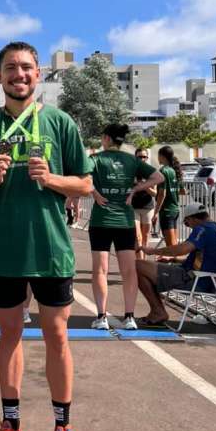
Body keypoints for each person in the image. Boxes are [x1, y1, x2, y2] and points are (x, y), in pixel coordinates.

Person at [0, 41, 94, 431]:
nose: (18, 74)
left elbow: (85, 184)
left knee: (57, 336)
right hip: (4, 250)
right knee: (9, 336)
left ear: (38, 74)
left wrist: (52, 178)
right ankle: (11, 428)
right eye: (10, 68)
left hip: (50, 248)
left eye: (25, 67)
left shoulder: (59, 122)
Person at [88, 125, 163, 330]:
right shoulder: (132, 160)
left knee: (100, 270)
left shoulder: (96, 159)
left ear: (106, 138)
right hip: (125, 222)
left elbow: (80, 176)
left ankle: (101, 317)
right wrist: (135, 189)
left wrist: (94, 192)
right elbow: (159, 177)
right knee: (129, 271)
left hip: (101, 221)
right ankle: (129, 317)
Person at [136, 202, 216, 325]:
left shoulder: (202, 229)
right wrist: (174, 260)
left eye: (187, 223)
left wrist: (153, 251)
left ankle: (158, 311)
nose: (189, 227)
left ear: (192, 219)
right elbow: (207, 260)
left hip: (195, 280)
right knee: (146, 269)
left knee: (138, 265)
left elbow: (182, 249)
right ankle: (157, 310)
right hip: (208, 279)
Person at [153, 145, 183, 247]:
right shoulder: (174, 170)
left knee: (171, 246)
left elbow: (162, 194)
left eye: (158, 155)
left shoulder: (163, 171)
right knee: (174, 244)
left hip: (167, 211)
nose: (158, 158)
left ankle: (176, 258)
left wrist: (155, 212)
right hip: (175, 210)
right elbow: (182, 191)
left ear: (162, 156)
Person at [132, 147, 157, 259]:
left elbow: (154, 193)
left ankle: (144, 262)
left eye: (144, 157)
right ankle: (139, 262)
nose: (142, 159)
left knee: (145, 237)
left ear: (147, 158)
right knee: (137, 237)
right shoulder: (130, 172)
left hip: (147, 208)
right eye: (139, 157)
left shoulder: (151, 172)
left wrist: (144, 185)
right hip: (133, 208)